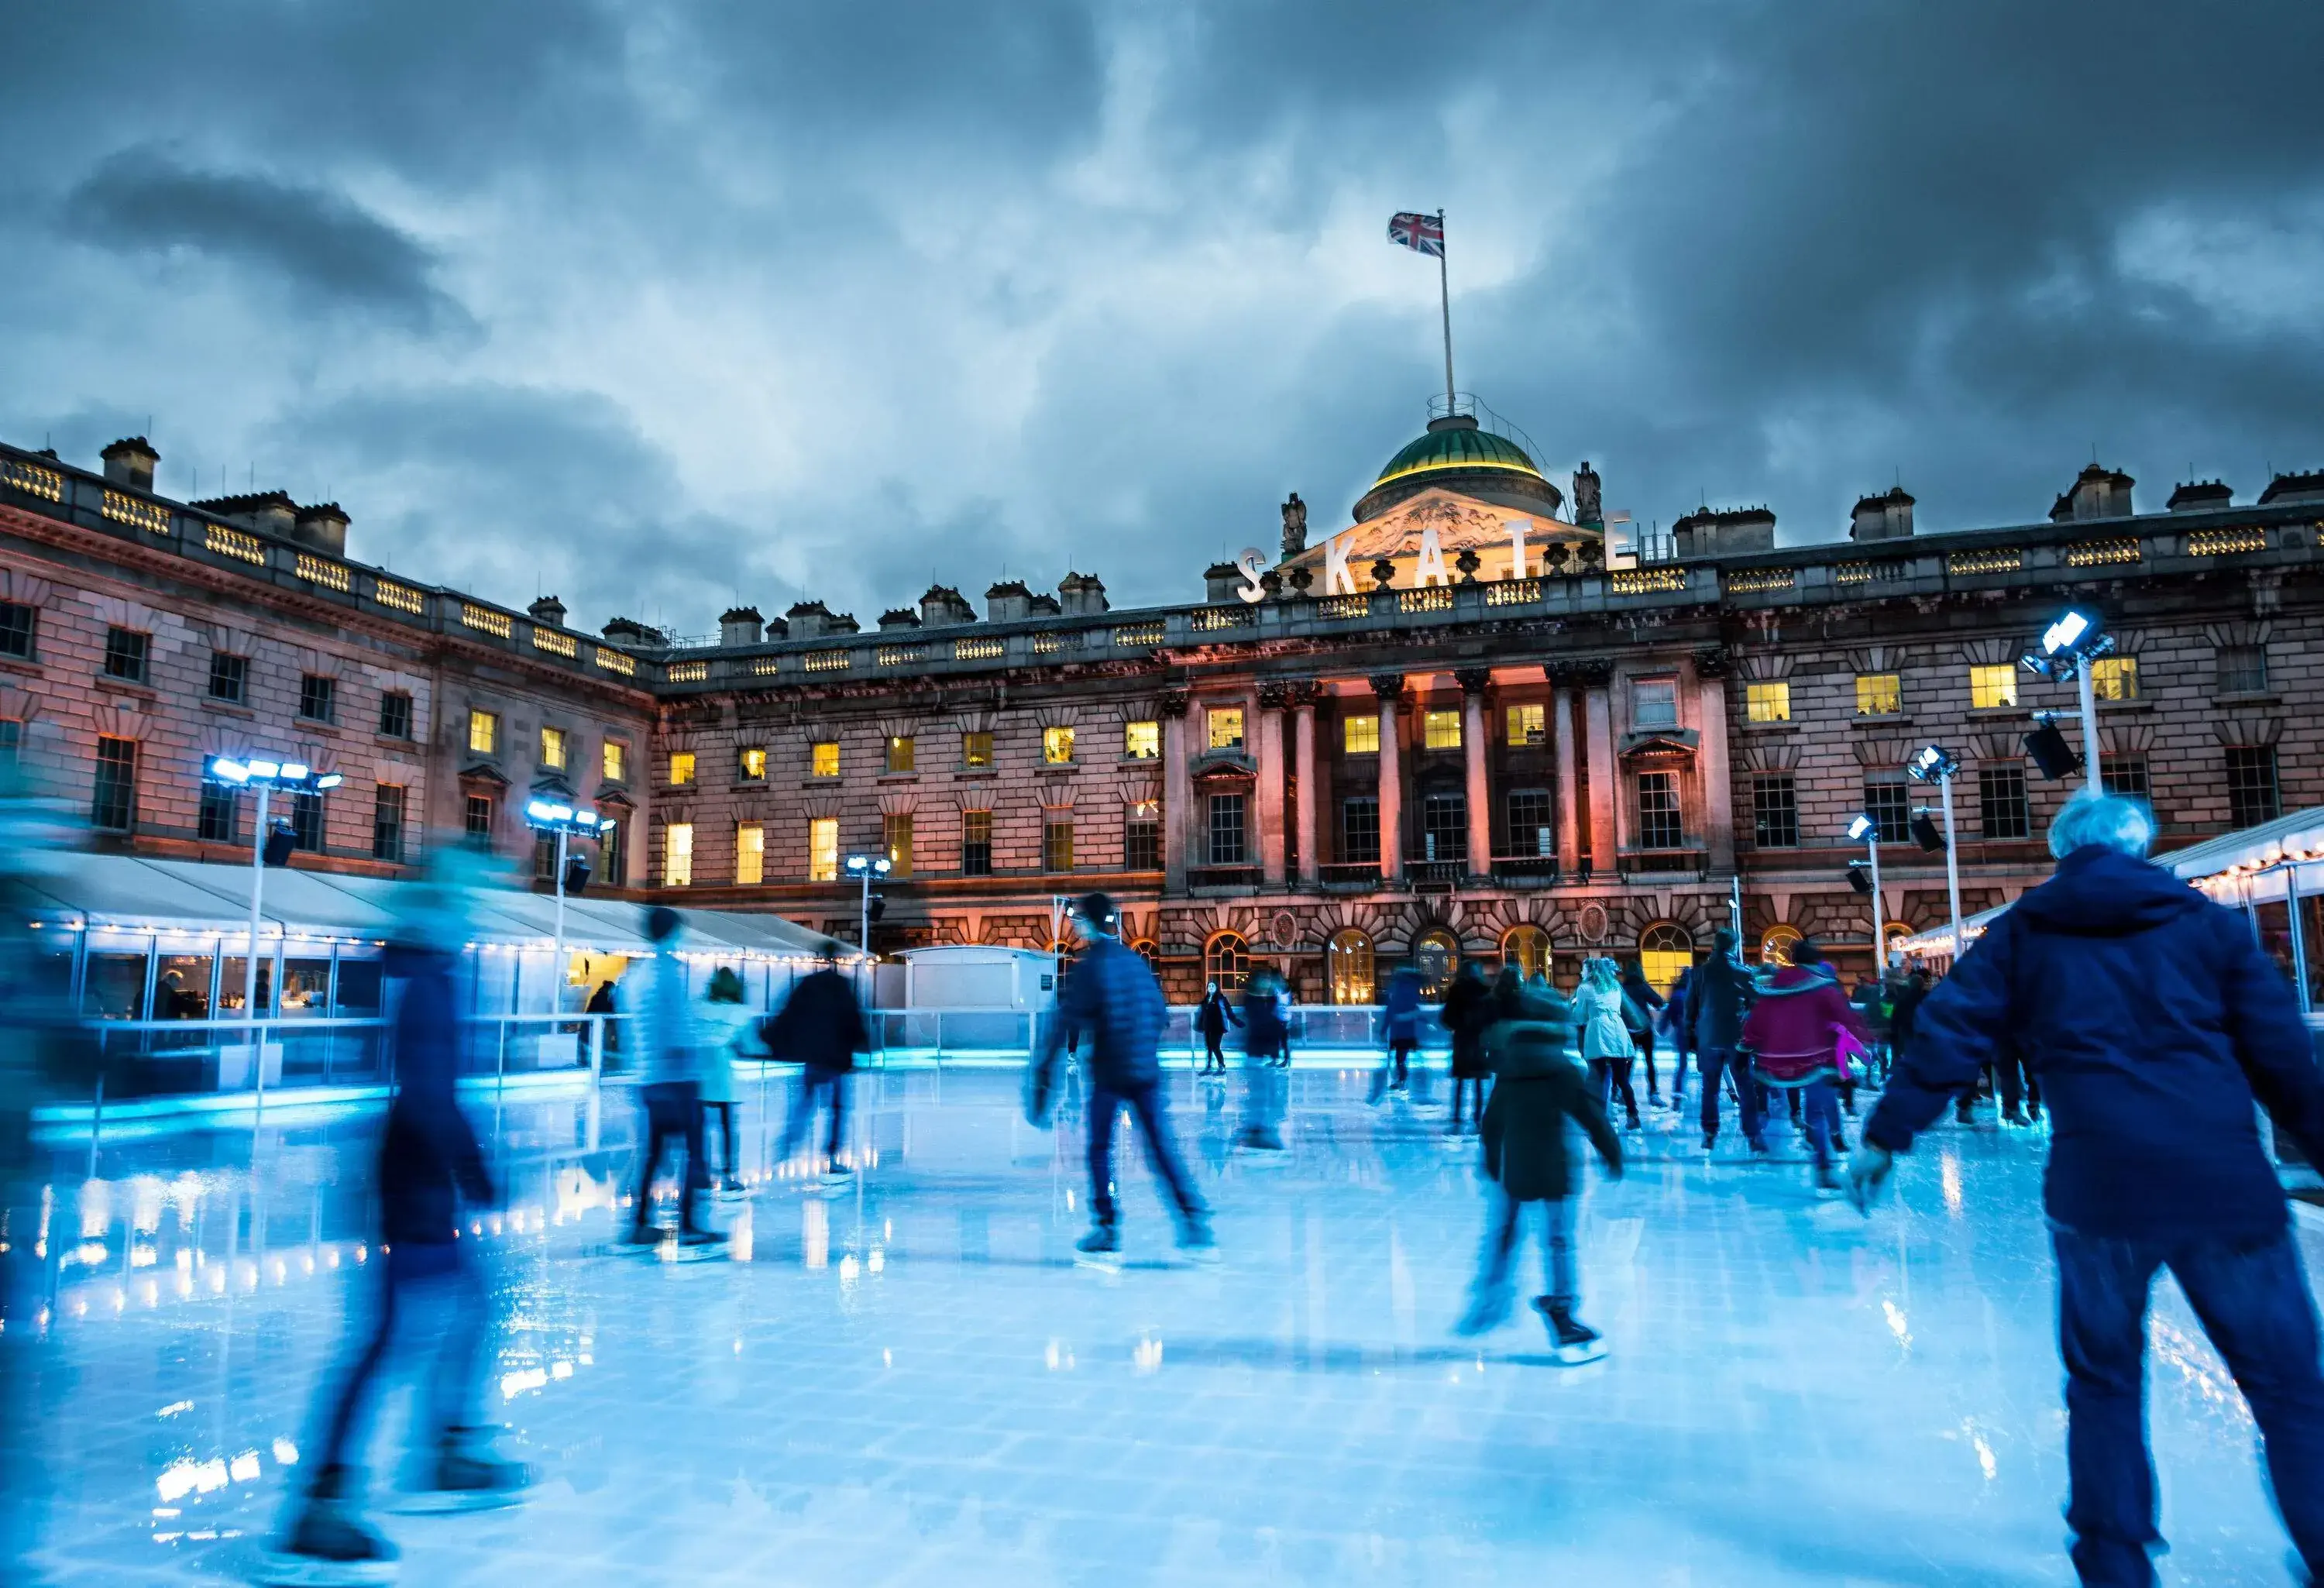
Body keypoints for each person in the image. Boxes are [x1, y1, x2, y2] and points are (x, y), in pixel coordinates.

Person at [1851, 793, 2324, 1587]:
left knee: (2104, 1383)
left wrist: (1886, 1134)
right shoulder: (2207, 925)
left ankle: (2114, 1560)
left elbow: (1952, 1033)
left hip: (2099, 1190)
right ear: (2142, 845)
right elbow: (2282, 1056)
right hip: (2224, 1186)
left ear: (2060, 849)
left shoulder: (2024, 931)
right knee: (2290, 1391)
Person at [267, 866, 526, 1583]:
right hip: (414, 1181)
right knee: (393, 1336)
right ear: (442, 919)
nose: (473, 920)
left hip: (414, 1174)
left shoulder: (425, 979)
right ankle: (330, 1495)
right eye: (464, 907)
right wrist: (471, 1170)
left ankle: (440, 1447)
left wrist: (464, 1165)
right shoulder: (432, 985)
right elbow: (430, 1091)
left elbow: (433, 1089)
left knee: (455, 1314)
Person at [1028, 893, 1214, 1260]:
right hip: (1146, 1069)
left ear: (1089, 923)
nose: (1075, 926)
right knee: (1161, 1147)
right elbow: (1159, 1012)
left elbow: (1062, 1024)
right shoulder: (1135, 961)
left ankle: (1107, 1228)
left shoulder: (1090, 966)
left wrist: (1042, 1081)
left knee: (1099, 1148)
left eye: (1078, 920)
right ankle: (1194, 1222)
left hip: (1111, 1071)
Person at [1458, 966, 1621, 1362]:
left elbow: (1491, 1123)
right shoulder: (1562, 1070)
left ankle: (1491, 1297)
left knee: (1507, 1231)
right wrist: (1610, 1150)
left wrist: (1492, 1161)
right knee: (1559, 1240)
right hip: (1554, 1169)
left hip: (1516, 1169)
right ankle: (1562, 1314)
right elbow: (1590, 1114)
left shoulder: (1508, 1071)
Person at [624, 906, 725, 1246]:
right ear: (671, 932)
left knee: (654, 1153)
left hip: (649, 1079)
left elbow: (635, 1032)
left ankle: (639, 1222)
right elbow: (677, 1028)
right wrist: (695, 1058)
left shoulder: (636, 974)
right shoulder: (668, 973)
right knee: (695, 1150)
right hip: (676, 1079)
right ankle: (690, 1224)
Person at [1738, 937, 1866, 1192]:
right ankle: (1822, 1165)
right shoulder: (1823, 986)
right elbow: (1845, 1017)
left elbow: (1758, 1017)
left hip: (1778, 1059)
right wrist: (1863, 1040)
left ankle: (1793, 1135)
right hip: (1817, 1058)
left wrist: (1747, 1043)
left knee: (1793, 1100)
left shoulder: (1774, 984)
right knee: (1817, 1110)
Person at [765, 944, 868, 1182]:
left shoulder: (809, 985)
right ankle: (831, 1159)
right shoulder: (842, 986)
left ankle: (788, 1144)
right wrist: (861, 1043)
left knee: (805, 1104)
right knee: (837, 1109)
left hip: (813, 1058)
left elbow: (789, 1013)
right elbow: (853, 1019)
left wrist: (775, 1039)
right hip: (835, 1060)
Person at [1686, 928, 1760, 1153]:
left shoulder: (1699, 973)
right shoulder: (1742, 972)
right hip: (1736, 1038)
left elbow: (1690, 1010)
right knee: (1746, 1087)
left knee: (1710, 1088)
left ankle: (1709, 1132)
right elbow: (1756, 1002)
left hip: (1708, 1038)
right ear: (1733, 946)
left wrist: (1691, 1036)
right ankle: (1753, 1135)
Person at [696, 965, 759, 1193]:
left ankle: (699, 1172)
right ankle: (729, 1173)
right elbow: (751, 1046)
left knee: (700, 1125)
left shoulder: (699, 1008)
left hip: (699, 1072)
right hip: (722, 1072)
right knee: (727, 1126)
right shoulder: (739, 1013)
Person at [1575, 957, 1643, 1130]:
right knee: (1621, 1078)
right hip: (1617, 1031)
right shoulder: (1614, 987)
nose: (1582, 972)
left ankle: (1600, 1117)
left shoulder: (1584, 989)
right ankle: (1633, 1114)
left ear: (1590, 972)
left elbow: (1581, 1016)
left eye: (1584, 969)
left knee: (1599, 1077)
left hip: (1598, 1032)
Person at [1236, 967, 1289, 1150]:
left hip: (1265, 1055)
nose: (1267, 982)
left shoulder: (1268, 999)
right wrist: (1281, 1029)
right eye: (1264, 979)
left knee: (1267, 1096)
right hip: (1256, 1055)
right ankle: (1257, 1133)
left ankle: (1257, 1131)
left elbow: (1273, 1022)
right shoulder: (1253, 1001)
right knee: (1260, 1096)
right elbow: (1262, 1025)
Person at [1442, 959, 1494, 1135]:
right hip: (1478, 1040)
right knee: (1477, 1082)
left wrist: (1458, 1025)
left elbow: (1447, 1018)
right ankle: (1477, 1119)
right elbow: (1491, 1017)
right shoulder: (1485, 991)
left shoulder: (1456, 991)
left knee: (1461, 1082)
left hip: (1463, 1040)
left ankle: (1457, 1118)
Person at [1618, 960, 1666, 1105]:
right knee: (1650, 1062)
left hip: (1628, 1031)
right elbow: (1659, 1001)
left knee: (1628, 1063)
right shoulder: (1642, 986)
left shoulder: (1622, 988)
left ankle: (1623, 1093)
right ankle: (1653, 1094)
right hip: (1645, 1030)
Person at [1372, 967, 1422, 1102]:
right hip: (1403, 1033)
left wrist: (1384, 1030)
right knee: (1399, 1059)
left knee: (1399, 1059)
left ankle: (1401, 1081)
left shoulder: (1398, 990)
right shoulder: (1408, 990)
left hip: (1400, 1033)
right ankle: (1400, 1081)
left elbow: (1391, 1012)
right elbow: (1394, 1012)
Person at [1660, 962, 1696, 1111]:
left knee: (1682, 1065)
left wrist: (1662, 1028)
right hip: (1696, 1031)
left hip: (1681, 1032)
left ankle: (1678, 1094)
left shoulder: (1676, 994)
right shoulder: (1694, 992)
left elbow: (1668, 1013)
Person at [1195, 979, 1240, 1075]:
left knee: (1215, 1047)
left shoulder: (1221, 999)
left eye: (1213, 986)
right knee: (1209, 1047)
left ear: (1217, 988)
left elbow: (1229, 1011)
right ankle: (1209, 1067)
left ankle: (1222, 1067)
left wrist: (1236, 1021)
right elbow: (1202, 1014)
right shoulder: (1206, 999)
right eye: (1209, 986)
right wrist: (1199, 1025)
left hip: (1217, 1028)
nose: (1210, 988)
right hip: (1207, 1027)